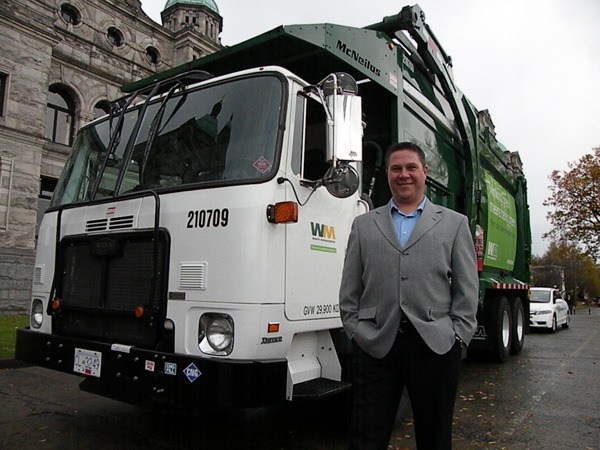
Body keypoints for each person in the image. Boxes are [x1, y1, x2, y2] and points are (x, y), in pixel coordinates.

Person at [339, 142, 479, 449]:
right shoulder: (364, 225)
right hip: (376, 346)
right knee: (366, 437)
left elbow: (467, 289)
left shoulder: (454, 224)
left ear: (424, 173)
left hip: (436, 346)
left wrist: (458, 336)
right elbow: (349, 292)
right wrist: (357, 332)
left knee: (435, 437)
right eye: (396, 168)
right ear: (388, 174)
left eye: (411, 168)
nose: (404, 175)